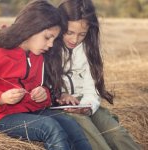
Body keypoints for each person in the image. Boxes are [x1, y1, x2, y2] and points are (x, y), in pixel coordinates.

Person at [0, 0, 92, 150]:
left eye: (54, 39)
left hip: (30, 110)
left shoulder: (38, 55)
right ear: (31, 29)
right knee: (49, 127)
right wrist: (1, 98)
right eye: (47, 37)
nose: (51, 44)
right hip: (0, 117)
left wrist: (43, 93)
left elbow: (44, 88)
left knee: (70, 124)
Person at [48, 0, 142, 149]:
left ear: (89, 31)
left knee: (117, 134)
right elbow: (43, 83)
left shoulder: (89, 49)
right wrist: (60, 94)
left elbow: (92, 88)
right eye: (69, 32)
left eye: (82, 34)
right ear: (59, 26)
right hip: (61, 106)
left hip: (86, 102)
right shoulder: (48, 46)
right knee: (95, 140)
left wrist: (88, 107)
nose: (74, 39)